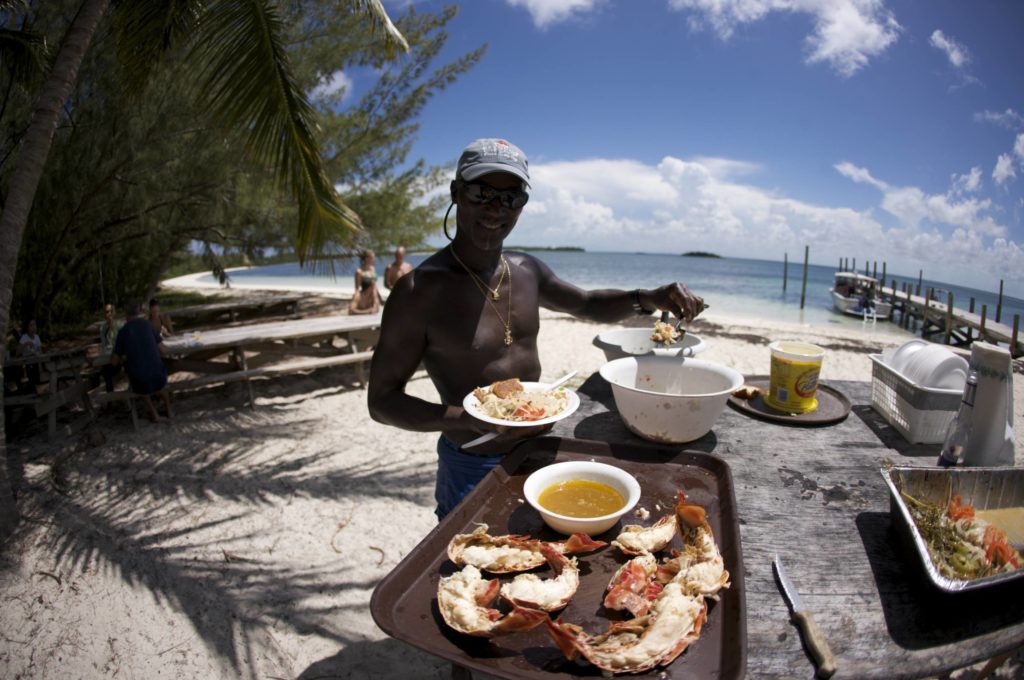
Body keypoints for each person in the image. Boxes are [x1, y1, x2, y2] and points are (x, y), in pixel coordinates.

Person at [367, 138, 705, 519]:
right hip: (474, 461)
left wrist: (648, 297)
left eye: (512, 197)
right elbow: (381, 401)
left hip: (544, 449)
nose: (497, 208)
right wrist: (468, 419)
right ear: (456, 192)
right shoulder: (419, 291)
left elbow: (587, 304)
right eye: (482, 192)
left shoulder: (526, 270)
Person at [112, 298, 173, 422]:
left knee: (139, 384)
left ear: (125, 313)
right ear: (139, 311)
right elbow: (163, 350)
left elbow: (114, 362)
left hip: (140, 380)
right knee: (161, 383)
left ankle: (154, 414)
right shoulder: (147, 325)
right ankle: (169, 410)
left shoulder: (123, 332)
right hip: (158, 376)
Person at [98, 302, 123, 393]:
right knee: (105, 370)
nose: (109, 314)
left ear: (114, 312)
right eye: (106, 312)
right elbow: (104, 345)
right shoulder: (103, 328)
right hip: (108, 355)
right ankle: (110, 398)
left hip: (119, 355)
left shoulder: (120, 325)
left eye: (111, 311)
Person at [348, 249, 381, 315]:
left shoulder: (372, 269)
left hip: (373, 294)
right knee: (353, 308)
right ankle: (365, 310)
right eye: (372, 257)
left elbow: (374, 285)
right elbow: (357, 288)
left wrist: (379, 298)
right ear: (366, 258)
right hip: (364, 293)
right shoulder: (359, 272)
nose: (374, 259)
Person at [18, 319, 43, 387]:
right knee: (31, 371)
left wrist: (38, 352)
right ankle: (32, 387)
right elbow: (18, 352)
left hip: (36, 361)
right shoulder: (24, 337)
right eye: (31, 325)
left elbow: (40, 350)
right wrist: (26, 344)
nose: (33, 327)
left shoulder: (37, 337)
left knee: (38, 371)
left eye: (34, 325)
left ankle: (37, 386)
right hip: (27, 362)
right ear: (27, 327)